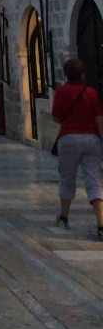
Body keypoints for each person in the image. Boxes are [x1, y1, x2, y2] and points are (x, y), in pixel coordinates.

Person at [51, 57, 103, 238]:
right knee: (94, 180)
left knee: (67, 178)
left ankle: (64, 217)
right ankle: (101, 224)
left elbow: (56, 117)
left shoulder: (61, 92)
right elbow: (99, 119)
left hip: (69, 138)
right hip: (91, 139)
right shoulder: (91, 93)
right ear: (82, 73)